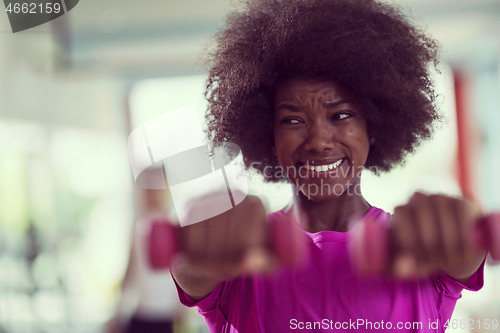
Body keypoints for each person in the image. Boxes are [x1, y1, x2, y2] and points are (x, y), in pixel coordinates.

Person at [170, 0, 487, 332]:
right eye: (293, 120)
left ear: (374, 127)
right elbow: (189, 269)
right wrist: (200, 242)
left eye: (341, 115)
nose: (319, 140)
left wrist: (461, 225)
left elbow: (467, 253)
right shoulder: (239, 256)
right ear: (269, 135)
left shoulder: (419, 248)